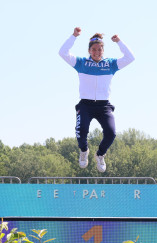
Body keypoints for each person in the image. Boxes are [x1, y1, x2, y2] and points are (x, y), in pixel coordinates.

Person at [59, 27, 135, 172]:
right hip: (86, 105)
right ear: (89, 51)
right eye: (94, 49)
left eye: (100, 49)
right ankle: (84, 151)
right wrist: (74, 36)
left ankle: (100, 154)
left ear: (103, 51)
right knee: (81, 131)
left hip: (104, 106)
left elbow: (130, 58)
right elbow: (62, 53)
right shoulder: (81, 63)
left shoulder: (110, 64)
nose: (97, 52)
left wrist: (119, 42)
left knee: (111, 133)